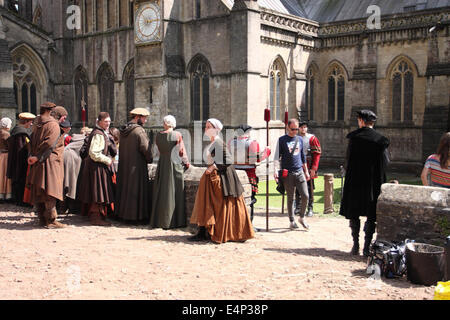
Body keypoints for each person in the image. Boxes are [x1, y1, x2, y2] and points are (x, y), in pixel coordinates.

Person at [189, 118, 255, 244]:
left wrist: (213, 167)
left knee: (220, 205)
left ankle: (224, 232)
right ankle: (204, 232)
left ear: (217, 129)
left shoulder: (218, 143)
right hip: (213, 177)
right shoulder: (213, 143)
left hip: (223, 178)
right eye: (206, 127)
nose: (206, 129)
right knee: (208, 205)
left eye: (209, 127)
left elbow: (228, 159)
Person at [339, 110, 390, 256]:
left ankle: (355, 245)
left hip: (355, 181)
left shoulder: (354, 138)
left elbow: (348, 160)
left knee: (354, 213)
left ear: (361, 121)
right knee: (371, 214)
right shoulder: (381, 140)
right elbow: (386, 162)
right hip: (373, 182)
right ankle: (366, 248)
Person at [26, 102, 67, 228]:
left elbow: (30, 141)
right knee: (50, 191)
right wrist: (37, 157)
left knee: (41, 190)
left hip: (38, 161)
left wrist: (32, 156)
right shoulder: (53, 125)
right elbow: (49, 144)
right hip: (49, 162)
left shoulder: (37, 124)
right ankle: (50, 219)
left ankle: (42, 219)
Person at [150, 115, 190, 229]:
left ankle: (160, 220)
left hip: (162, 163)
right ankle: (174, 221)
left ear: (165, 124)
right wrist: (187, 163)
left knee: (162, 192)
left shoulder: (158, 136)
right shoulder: (177, 135)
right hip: (174, 163)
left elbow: (157, 151)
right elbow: (181, 152)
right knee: (174, 192)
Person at [228, 124, 271, 230]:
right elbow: (255, 160)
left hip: (234, 174)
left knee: (234, 200)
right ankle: (249, 225)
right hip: (249, 175)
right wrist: (267, 152)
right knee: (250, 200)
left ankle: (234, 224)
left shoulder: (230, 142)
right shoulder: (252, 143)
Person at [77, 112, 116, 226]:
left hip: (97, 165)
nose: (108, 123)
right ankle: (96, 217)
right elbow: (94, 153)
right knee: (97, 191)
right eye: (105, 121)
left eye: (109, 121)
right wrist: (107, 160)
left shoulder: (100, 132)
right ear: (99, 121)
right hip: (96, 166)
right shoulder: (98, 134)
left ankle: (99, 215)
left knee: (99, 190)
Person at [116, 108, 153, 224]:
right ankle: (137, 217)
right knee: (136, 191)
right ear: (137, 117)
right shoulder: (139, 131)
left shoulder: (123, 130)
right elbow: (146, 149)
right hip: (136, 167)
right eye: (144, 118)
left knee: (125, 190)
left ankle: (123, 215)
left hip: (124, 166)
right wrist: (149, 159)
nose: (145, 121)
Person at [274, 118, 311, 230]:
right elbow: (277, 157)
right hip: (288, 173)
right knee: (291, 198)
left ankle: (302, 217)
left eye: (296, 129)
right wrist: (275, 170)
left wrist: (306, 171)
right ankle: (291, 220)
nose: (295, 131)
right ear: (288, 128)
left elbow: (303, 157)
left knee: (305, 195)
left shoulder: (299, 139)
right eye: (293, 129)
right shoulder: (282, 140)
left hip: (299, 171)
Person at [6, 112, 35, 206]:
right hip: (20, 161)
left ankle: (18, 199)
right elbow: (21, 149)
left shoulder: (16, 131)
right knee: (20, 180)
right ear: (26, 121)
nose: (31, 124)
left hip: (15, 160)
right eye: (30, 122)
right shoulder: (21, 133)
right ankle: (20, 200)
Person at [62, 127, 92, 214]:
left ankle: (62, 207)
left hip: (65, 159)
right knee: (73, 184)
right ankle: (72, 208)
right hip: (74, 161)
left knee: (66, 183)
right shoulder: (84, 140)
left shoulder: (74, 138)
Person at [295, 121, 322, 217]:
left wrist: (314, 168)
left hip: (309, 165)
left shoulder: (312, 138)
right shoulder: (295, 138)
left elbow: (317, 154)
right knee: (298, 186)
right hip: (298, 165)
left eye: (305, 127)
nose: (303, 129)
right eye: (301, 127)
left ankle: (310, 207)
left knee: (309, 187)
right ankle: (298, 207)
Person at [0, 118, 12, 202]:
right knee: (5, 175)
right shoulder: (6, 134)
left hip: (1, 155)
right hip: (5, 156)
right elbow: (10, 146)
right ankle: (7, 194)